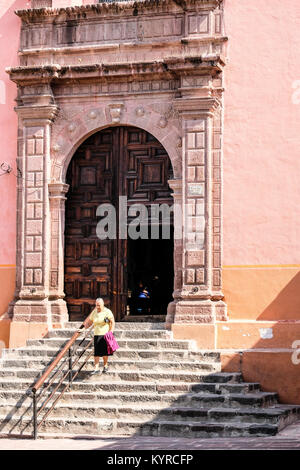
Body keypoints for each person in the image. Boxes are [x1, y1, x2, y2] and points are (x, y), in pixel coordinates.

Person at [80, 297, 115, 374]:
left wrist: (111, 332)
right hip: (97, 334)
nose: (98, 307)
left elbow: (112, 322)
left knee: (105, 352)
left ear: (103, 304)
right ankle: (96, 368)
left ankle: (105, 365)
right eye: (96, 305)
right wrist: (83, 329)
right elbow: (90, 322)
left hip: (105, 334)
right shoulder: (94, 312)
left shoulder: (107, 311)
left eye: (99, 305)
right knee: (97, 352)